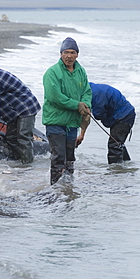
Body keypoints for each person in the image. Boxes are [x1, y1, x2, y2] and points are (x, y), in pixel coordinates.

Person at [42, 37, 92, 185]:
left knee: (70, 158)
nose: (69, 56)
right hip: (55, 121)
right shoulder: (52, 72)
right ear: (60, 54)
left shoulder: (80, 71)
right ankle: (55, 190)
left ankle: (68, 189)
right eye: (66, 52)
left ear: (77, 54)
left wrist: (86, 105)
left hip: (72, 123)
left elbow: (87, 91)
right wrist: (77, 105)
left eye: (72, 52)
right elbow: (55, 97)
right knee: (58, 158)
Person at [0, 65, 41, 165]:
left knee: (23, 137)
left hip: (26, 108)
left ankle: (27, 166)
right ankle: (21, 160)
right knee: (11, 138)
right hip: (14, 112)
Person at [76, 81, 136, 164]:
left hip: (124, 115)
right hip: (123, 113)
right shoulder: (89, 88)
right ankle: (125, 167)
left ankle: (115, 173)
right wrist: (82, 135)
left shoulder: (96, 94)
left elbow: (97, 115)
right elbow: (87, 116)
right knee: (118, 143)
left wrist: (85, 112)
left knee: (114, 145)